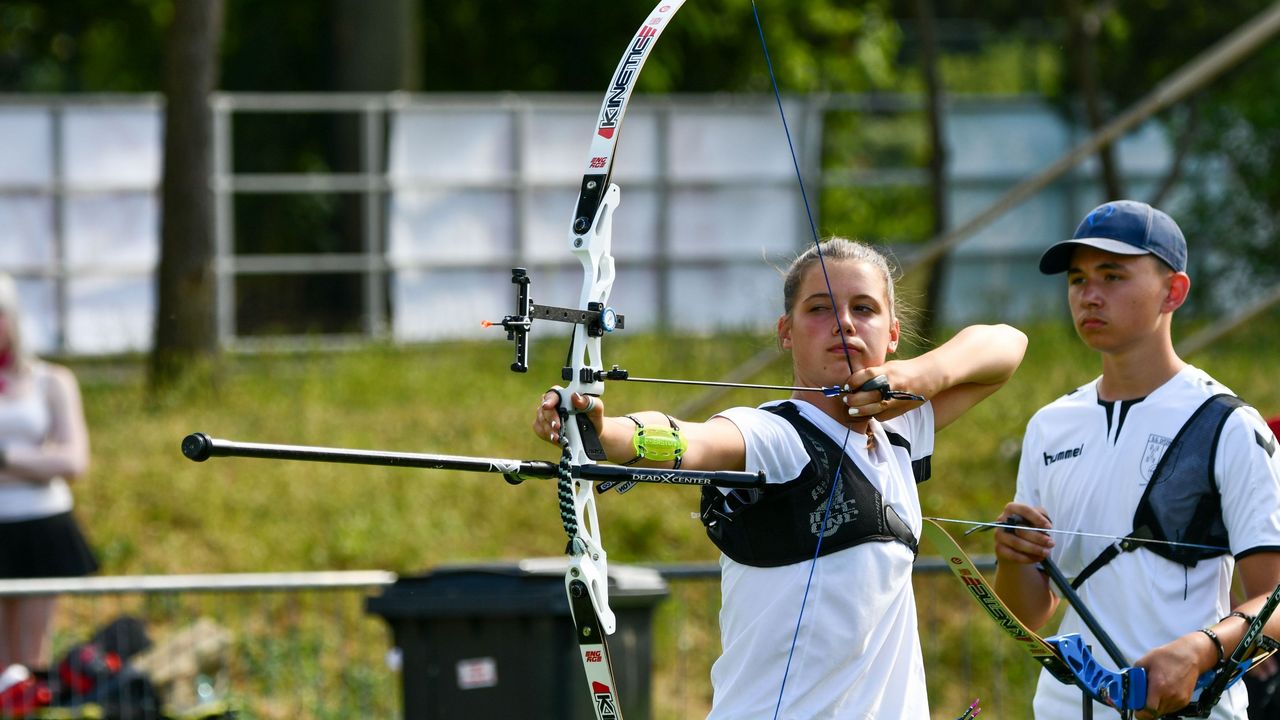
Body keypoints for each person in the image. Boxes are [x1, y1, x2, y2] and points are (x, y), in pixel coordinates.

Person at [533, 238, 1028, 718]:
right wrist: (606, 431)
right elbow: (692, 440)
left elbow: (1008, 346)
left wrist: (916, 377)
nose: (844, 324)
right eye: (819, 309)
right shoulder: (776, 435)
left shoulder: (900, 430)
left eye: (864, 309)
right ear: (785, 331)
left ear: (892, 332)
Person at [991, 200, 1280, 720]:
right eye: (1077, 279)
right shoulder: (1048, 425)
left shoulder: (1228, 423)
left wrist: (1200, 650)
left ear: (1174, 291)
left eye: (1113, 275)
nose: (1090, 295)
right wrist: (1014, 558)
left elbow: (1276, 600)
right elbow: (1030, 613)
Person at [0, 274, 96, 671]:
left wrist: (5, 459)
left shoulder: (52, 380)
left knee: (32, 655)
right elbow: (53, 460)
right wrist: (36, 460)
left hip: (42, 526)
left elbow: (73, 462)